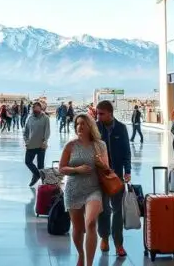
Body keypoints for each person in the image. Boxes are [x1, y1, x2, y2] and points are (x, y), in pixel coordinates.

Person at [59, 113, 109, 266]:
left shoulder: (100, 145)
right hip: (74, 190)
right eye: (77, 124)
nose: (79, 127)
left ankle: (89, 263)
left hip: (93, 189)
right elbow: (61, 168)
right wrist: (78, 169)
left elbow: (107, 168)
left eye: (83, 124)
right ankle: (81, 254)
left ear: (90, 126)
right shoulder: (70, 146)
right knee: (78, 229)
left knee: (92, 223)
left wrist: (101, 162)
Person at [95, 101, 131, 257]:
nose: (98, 116)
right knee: (103, 209)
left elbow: (126, 150)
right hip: (100, 176)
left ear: (110, 113)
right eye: (97, 113)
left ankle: (119, 243)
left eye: (101, 113)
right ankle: (104, 237)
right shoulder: (95, 128)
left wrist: (127, 171)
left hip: (116, 175)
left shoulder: (121, 128)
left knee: (117, 210)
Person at [23, 101, 52, 187]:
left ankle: (44, 186)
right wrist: (26, 142)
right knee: (28, 161)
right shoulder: (30, 118)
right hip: (31, 145)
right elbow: (26, 132)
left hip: (41, 146)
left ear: (40, 108)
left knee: (40, 166)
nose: (34, 109)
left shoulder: (45, 118)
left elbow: (47, 132)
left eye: (36, 107)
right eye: (33, 108)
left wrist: (45, 142)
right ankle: (37, 175)